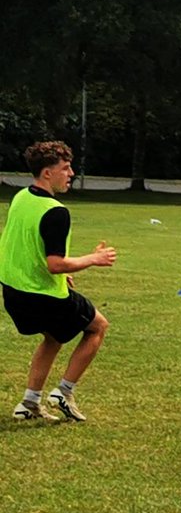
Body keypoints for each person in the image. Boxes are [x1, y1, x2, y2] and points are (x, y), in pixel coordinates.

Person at [1, 141, 116, 422]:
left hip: (13, 292)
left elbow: (25, 244)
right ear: (47, 173)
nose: (71, 173)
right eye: (65, 169)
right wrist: (93, 258)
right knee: (98, 327)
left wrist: (64, 271)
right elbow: (55, 264)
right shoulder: (56, 211)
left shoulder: (21, 197)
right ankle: (64, 392)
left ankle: (29, 402)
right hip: (42, 294)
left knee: (53, 337)